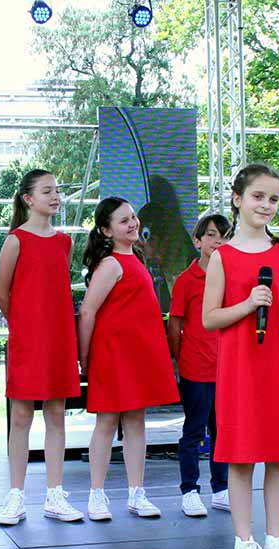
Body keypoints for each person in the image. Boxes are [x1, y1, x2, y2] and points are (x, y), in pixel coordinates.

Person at [202, 164, 279, 549]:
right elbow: (210, 318)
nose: (266, 205)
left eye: (273, 199)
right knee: (241, 456)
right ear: (237, 199)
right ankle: (244, 543)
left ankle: (276, 541)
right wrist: (249, 304)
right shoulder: (223, 257)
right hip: (241, 368)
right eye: (258, 196)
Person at [78, 197, 180, 521]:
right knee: (107, 422)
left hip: (136, 356)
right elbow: (88, 311)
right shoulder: (110, 265)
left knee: (136, 422)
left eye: (133, 217)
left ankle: (137, 493)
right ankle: (96, 494)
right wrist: (85, 357)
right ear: (107, 231)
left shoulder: (134, 258)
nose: (133, 223)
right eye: (124, 220)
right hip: (112, 356)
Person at [0, 169, 83, 525]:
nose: (56, 196)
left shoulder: (64, 242)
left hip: (60, 340)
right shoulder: (16, 241)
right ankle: (15, 496)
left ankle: (54, 495)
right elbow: (1, 293)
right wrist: (25, 326)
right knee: (21, 416)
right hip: (28, 342)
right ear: (28, 199)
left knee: (57, 415)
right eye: (47, 191)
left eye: (57, 190)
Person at [168, 213, 231, 517]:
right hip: (195, 369)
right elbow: (175, 324)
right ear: (197, 241)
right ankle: (189, 490)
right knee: (194, 431)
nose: (217, 241)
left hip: (226, 369)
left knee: (222, 431)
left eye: (224, 236)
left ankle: (221, 489)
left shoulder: (232, 278)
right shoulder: (186, 281)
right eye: (211, 235)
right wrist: (180, 360)